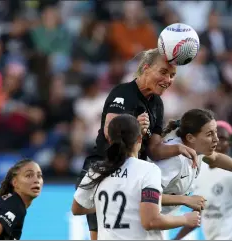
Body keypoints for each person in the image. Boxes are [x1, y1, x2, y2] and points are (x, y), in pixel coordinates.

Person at [76, 48, 198, 240]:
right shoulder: (123, 93)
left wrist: (179, 148)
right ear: (146, 68)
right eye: (163, 72)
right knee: (100, 235)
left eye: (173, 75)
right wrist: (134, 125)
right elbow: (110, 133)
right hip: (105, 169)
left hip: (133, 173)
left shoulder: (157, 104)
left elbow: (155, 150)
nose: (168, 80)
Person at [72, 114, 201, 240]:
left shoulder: (96, 169)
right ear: (139, 139)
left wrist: (108, 206)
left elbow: (77, 208)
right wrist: (185, 219)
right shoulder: (148, 170)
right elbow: (150, 221)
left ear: (110, 140)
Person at [157, 110, 232, 215]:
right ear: (190, 138)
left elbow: (216, 158)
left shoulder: (196, 147)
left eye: (215, 132)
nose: (216, 139)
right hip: (143, 222)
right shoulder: (174, 159)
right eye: (210, 134)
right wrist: (184, 200)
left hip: (157, 221)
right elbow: (143, 195)